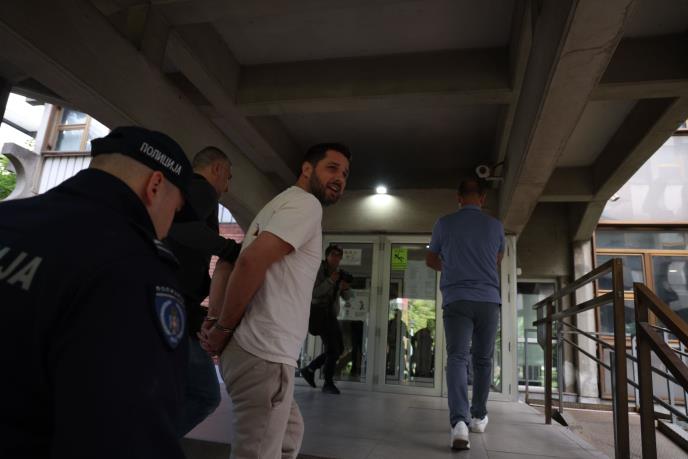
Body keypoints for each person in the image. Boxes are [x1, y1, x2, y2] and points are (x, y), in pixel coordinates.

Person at [0, 126, 195, 458]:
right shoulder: (133, 269)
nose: (167, 228)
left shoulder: (9, 217)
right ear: (155, 185)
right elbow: (127, 437)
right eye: (174, 212)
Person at [200, 143, 351, 459]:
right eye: (332, 168)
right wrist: (222, 328)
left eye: (345, 174)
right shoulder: (306, 204)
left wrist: (215, 320)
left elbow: (230, 263)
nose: (340, 178)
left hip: (255, 353)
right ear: (307, 169)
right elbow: (249, 262)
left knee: (289, 435)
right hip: (264, 352)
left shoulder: (278, 205)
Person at [165, 146, 241, 436]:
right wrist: (230, 249)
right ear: (217, 169)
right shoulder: (201, 189)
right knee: (205, 395)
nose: (227, 187)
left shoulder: (182, 191)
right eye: (228, 177)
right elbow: (179, 228)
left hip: (174, 307)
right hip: (174, 310)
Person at [426, 177, 505, 451]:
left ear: (458, 198)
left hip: (457, 299)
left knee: (458, 358)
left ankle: (459, 423)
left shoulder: (443, 223)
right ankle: (478, 416)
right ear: (483, 198)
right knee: (483, 359)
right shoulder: (496, 226)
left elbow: (430, 259)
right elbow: (497, 259)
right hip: (488, 300)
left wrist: (451, 266)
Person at [300, 244, 352, 394]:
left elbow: (347, 297)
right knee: (333, 350)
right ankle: (327, 383)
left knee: (339, 349)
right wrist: (330, 281)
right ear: (327, 256)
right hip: (319, 313)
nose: (336, 258)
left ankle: (310, 369)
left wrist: (346, 288)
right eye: (333, 255)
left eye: (339, 256)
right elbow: (314, 293)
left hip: (331, 315)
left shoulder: (339, 273)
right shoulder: (318, 271)